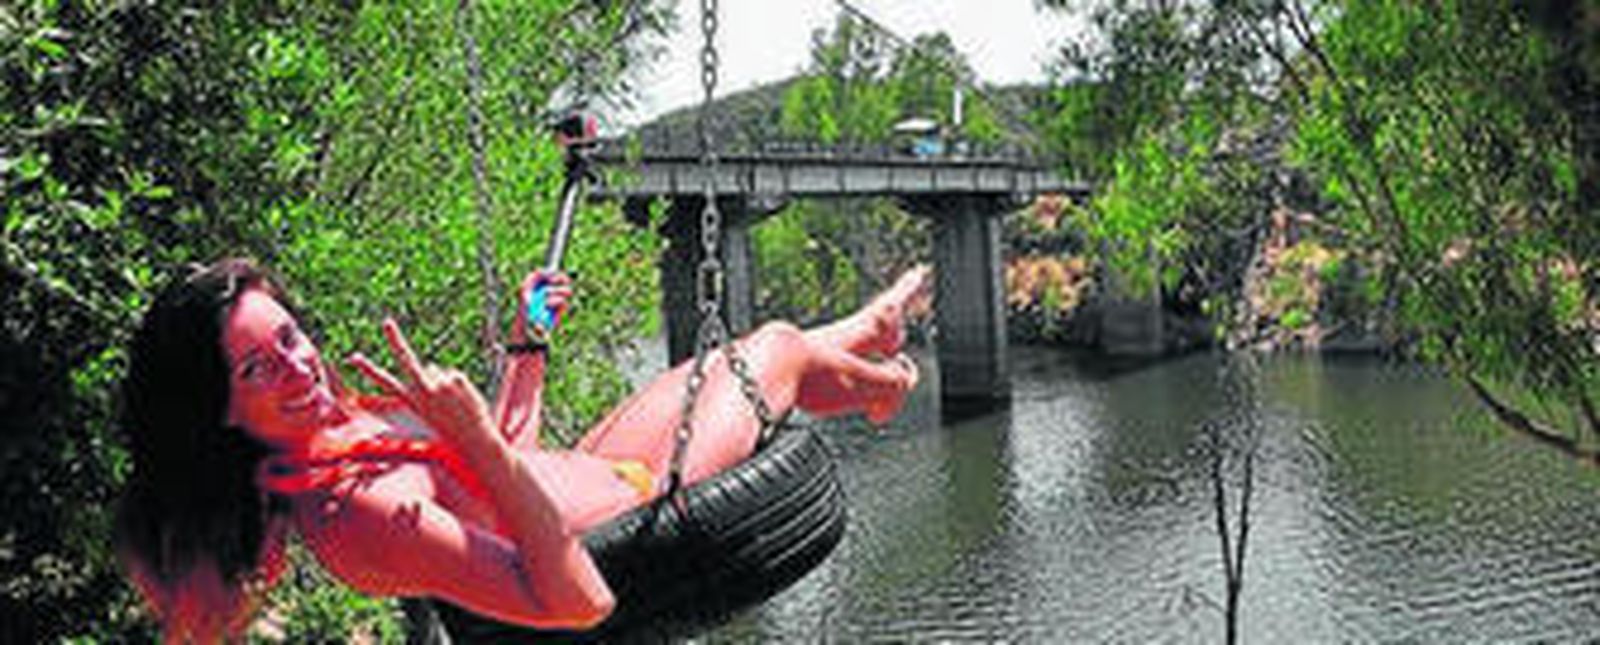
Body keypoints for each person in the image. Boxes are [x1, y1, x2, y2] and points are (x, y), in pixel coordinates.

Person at [115, 257, 931, 642]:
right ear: (218, 411)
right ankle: (881, 377)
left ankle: (870, 339)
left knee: (737, 361)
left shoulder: (329, 440)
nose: (300, 363)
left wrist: (527, 338)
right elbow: (580, 602)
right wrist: (467, 434)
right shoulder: (359, 513)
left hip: (588, 466)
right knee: (778, 350)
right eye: (261, 365)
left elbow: (494, 468)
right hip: (638, 508)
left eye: (292, 335)